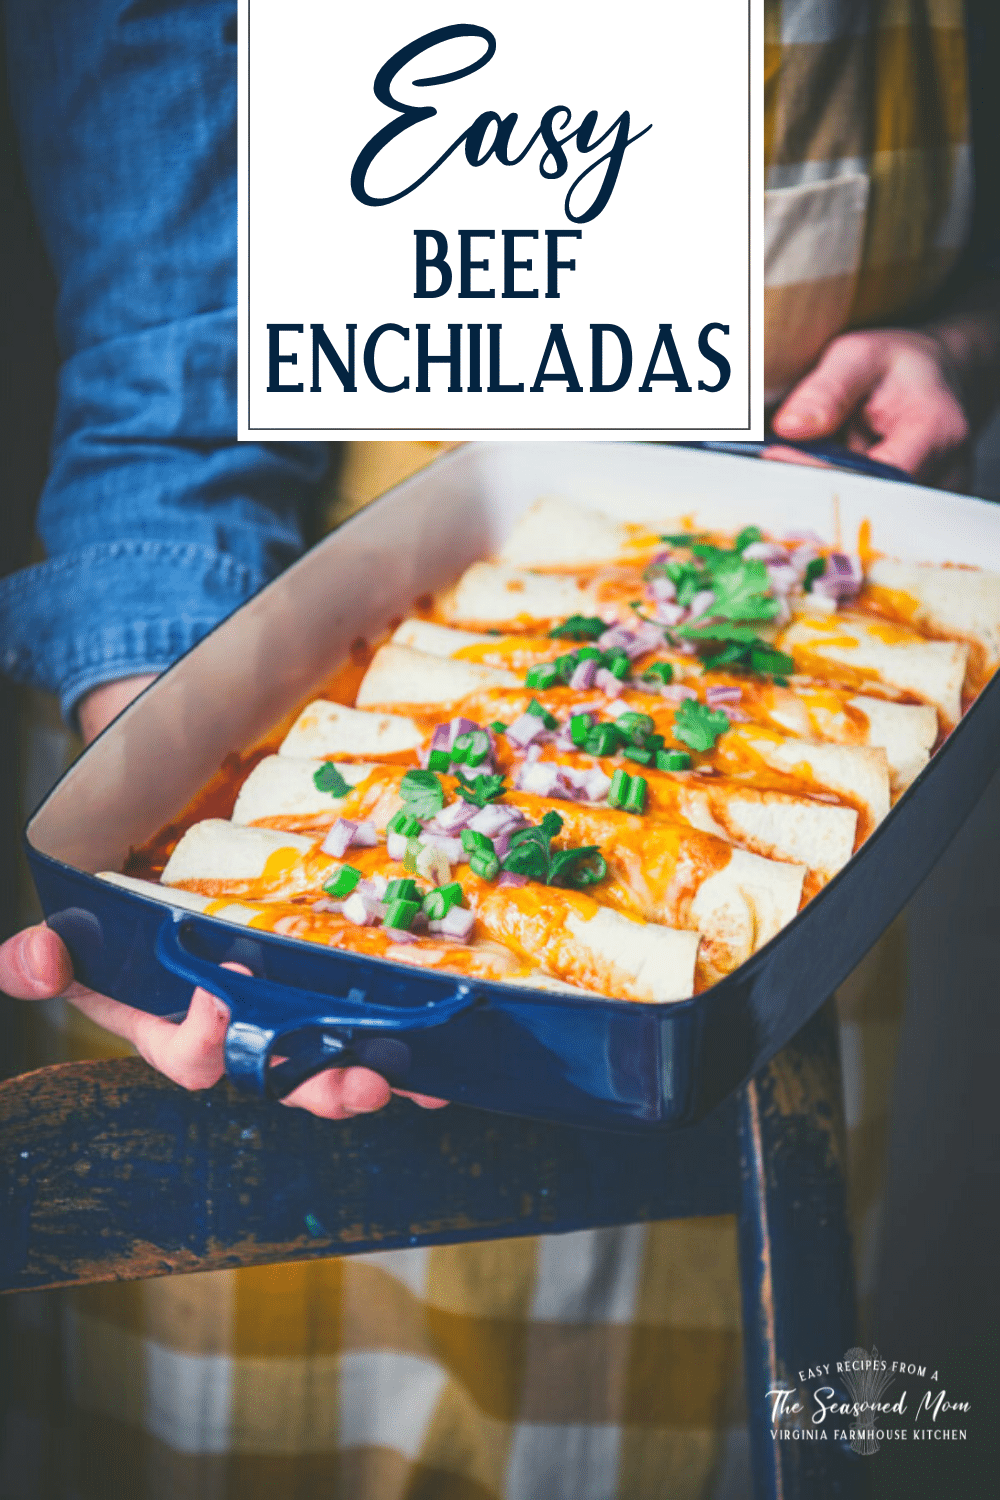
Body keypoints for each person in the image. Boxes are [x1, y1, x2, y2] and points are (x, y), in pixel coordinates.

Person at [1, 1, 999, 1497]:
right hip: (326, 678)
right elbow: (164, 384)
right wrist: (168, 814)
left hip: (794, 811)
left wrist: (962, 344)